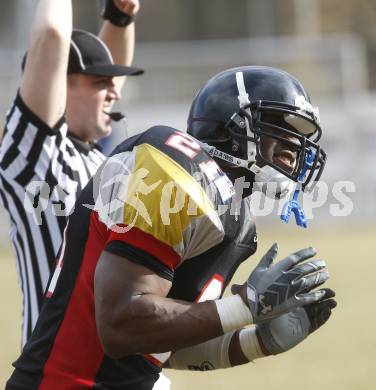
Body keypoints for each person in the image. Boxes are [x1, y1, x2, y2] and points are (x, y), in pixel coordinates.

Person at [6, 66, 336, 390]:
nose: (294, 148)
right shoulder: (171, 168)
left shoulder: (236, 217)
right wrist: (246, 305)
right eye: (279, 128)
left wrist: (259, 340)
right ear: (232, 129)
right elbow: (121, 325)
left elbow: (157, 345)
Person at [0, 0, 143, 347]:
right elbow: (51, 35)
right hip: (58, 365)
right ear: (57, 86)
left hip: (114, 364)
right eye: (100, 83)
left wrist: (119, 17)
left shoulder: (93, 157)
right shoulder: (33, 155)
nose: (114, 93)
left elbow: (105, 76)